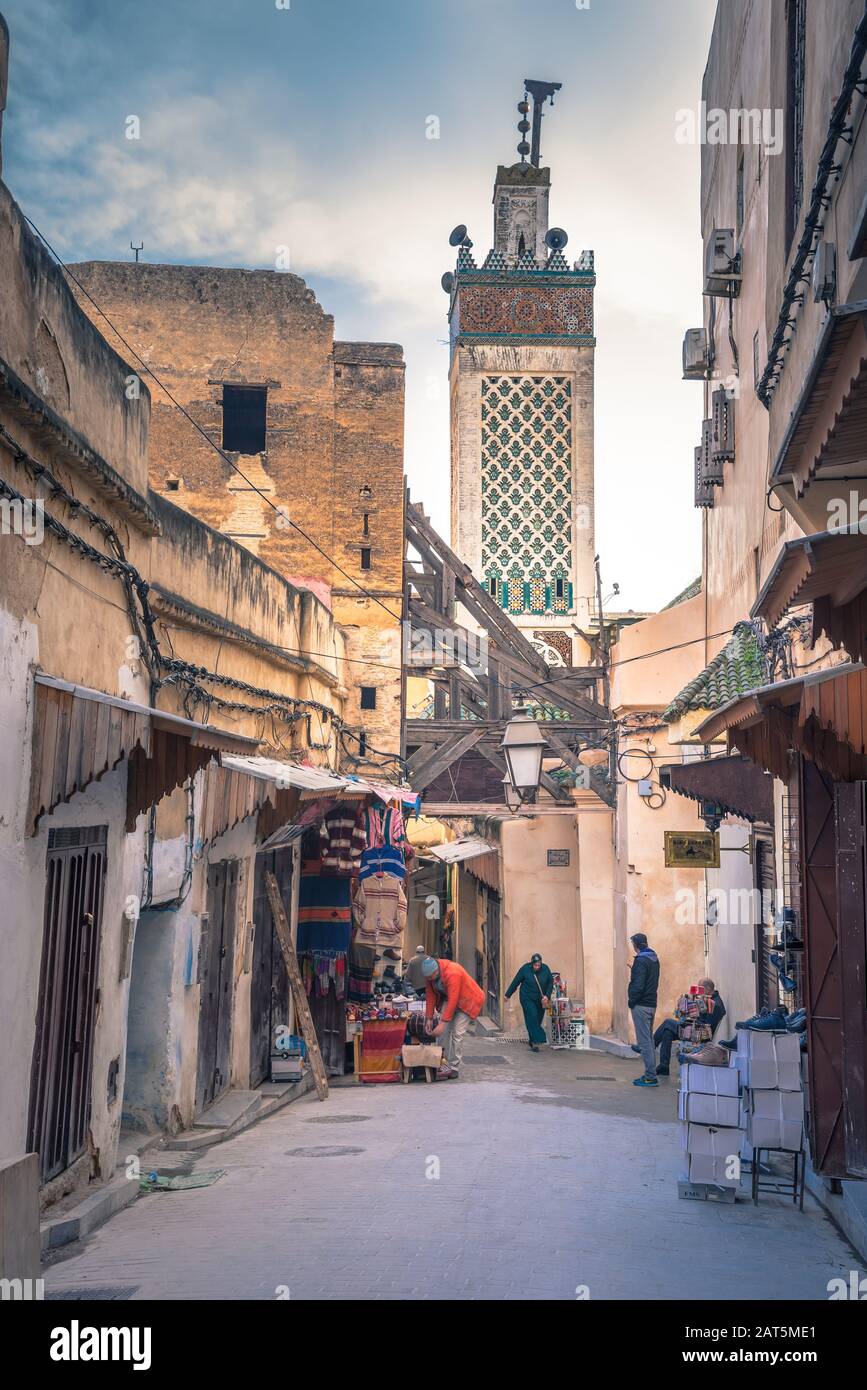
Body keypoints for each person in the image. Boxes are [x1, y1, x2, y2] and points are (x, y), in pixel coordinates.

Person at [646, 978, 726, 1076]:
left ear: (707, 989)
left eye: (700, 989)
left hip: (700, 1035)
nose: (698, 992)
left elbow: (706, 1027)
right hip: (694, 1029)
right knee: (668, 1032)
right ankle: (664, 1067)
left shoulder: (715, 1004)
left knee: (667, 1022)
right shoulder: (709, 999)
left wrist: (691, 1020)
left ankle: (650, 1046)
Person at [421, 956, 485, 1078]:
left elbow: (453, 1000)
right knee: (442, 1032)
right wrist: (429, 1018)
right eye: (427, 978)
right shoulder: (429, 975)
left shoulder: (453, 972)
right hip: (450, 998)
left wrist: (443, 1023)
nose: (429, 980)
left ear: (436, 971)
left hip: (467, 999)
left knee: (457, 1033)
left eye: (430, 977)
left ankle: (454, 1067)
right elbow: (430, 996)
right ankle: (441, 1062)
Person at [628, 932, 660, 1087]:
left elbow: (639, 985)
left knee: (645, 1042)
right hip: (651, 1004)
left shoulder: (641, 961)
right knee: (649, 1040)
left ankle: (650, 1076)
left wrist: (631, 1001)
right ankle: (651, 1073)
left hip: (641, 1004)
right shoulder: (653, 958)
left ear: (636, 945)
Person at [505, 953, 554, 1051]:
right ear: (532, 963)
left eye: (539, 965)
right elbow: (516, 981)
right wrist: (507, 994)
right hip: (527, 998)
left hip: (541, 1000)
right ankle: (539, 1038)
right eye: (535, 965)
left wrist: (547, 996)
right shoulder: (525, 969)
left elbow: (550, 982)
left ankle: (532, 1041)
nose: (537, 967)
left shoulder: (545, 969)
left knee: (537, 1020)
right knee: (532, 1016)